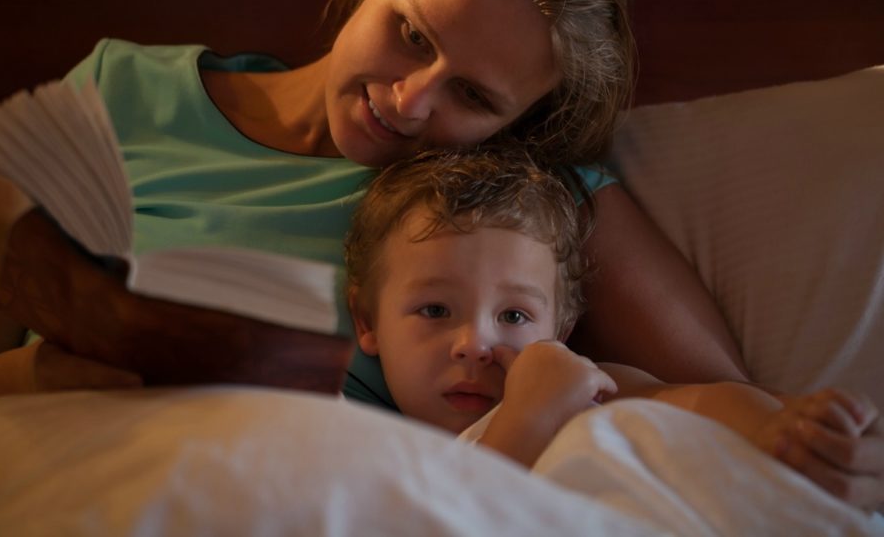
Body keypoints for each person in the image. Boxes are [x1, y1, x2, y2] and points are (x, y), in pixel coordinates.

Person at [0, 0, 791, 449]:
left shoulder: (501, 201)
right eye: (410, 33)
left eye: (474, 97)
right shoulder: (116, 95)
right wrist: (31, 380)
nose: (410, 102)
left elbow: (734, 405)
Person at [344, 145, 884, 510]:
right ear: (367, 322)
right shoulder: (360, 446)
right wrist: (530, 417)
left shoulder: (585, 383)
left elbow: (696, 402)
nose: (475, 345)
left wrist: (778, 431)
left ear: (562, 328)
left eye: (514, 316)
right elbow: (454, 517)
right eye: (436, 311)